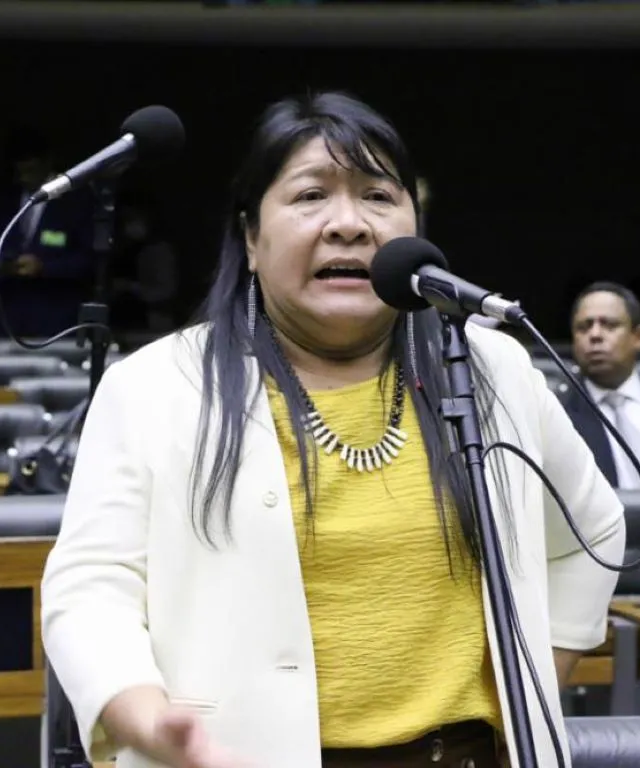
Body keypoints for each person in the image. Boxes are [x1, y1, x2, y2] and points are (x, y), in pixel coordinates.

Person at [41, 92, 624, 768]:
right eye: (311, 196)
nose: (348, 224)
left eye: (378, 196)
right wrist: (144, 717)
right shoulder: (154, 386)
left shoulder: (492, 368)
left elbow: (593, 530)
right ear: (251, 239)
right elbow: (91, 587)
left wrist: (535, 682)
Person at [0, 126, 95, 337]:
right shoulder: (7, 199)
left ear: (47, 162)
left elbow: (90, 260)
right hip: (8, 318)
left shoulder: (75, 201)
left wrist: (44, 267)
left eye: (31, 170)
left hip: (55, 319)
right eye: (19, 172)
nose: (24, 178)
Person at [561, 281, 640, 490]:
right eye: (583, 327)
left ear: (637, 337)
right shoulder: (559, 413)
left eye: (610, 325)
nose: (595, 335)